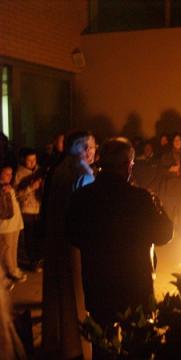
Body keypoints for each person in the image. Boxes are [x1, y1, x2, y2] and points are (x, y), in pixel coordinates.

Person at [67, 138, 173, 351]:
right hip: (134, 286)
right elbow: (163, 234)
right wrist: (159, 208)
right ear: (126, 165)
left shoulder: (83, 198)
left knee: (103, 343)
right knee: (137, 342)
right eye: (131, 165)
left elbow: (72, 235)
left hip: (98, 283)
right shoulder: (140, 199)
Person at [42, 130, 95, 359]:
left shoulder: (59, 169)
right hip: (75, 243)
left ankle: (58, 343)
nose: (93, 151)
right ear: (81, 148)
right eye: (90, 147)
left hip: (55, 239)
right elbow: (88, 215)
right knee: (76, 295)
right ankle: (77, 347)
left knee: (58, 293)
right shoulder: (82, 172)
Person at [14, 148, 44, 271]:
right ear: (23, 160)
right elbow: (16, 195)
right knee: (29, 237)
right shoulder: (19, 174)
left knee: (37, 235)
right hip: (26, 210)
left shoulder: (39, 170)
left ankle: (37, 258)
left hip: (39, 207)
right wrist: (31, 187)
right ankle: (32, 262)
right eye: (29, 160)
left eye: (34, 159)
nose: (32, 163)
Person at [159, 133, 181, 236]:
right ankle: (168, 233)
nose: (177, 142)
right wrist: (170, 169)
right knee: (169, 213)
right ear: (172, 143)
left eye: (179, 140)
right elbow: (160, 171)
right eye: (175, 140)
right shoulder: (166, 155)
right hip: (170, 189)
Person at [0, 166, 25, 284]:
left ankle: (14, 269)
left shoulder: (9, 187)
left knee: (13, 249)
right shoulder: (3, 188)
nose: (9, 176)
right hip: (5, 226)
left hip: (15, 224)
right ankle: (9, 273)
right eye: (6, 174)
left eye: (11, 174)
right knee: (6, 251)